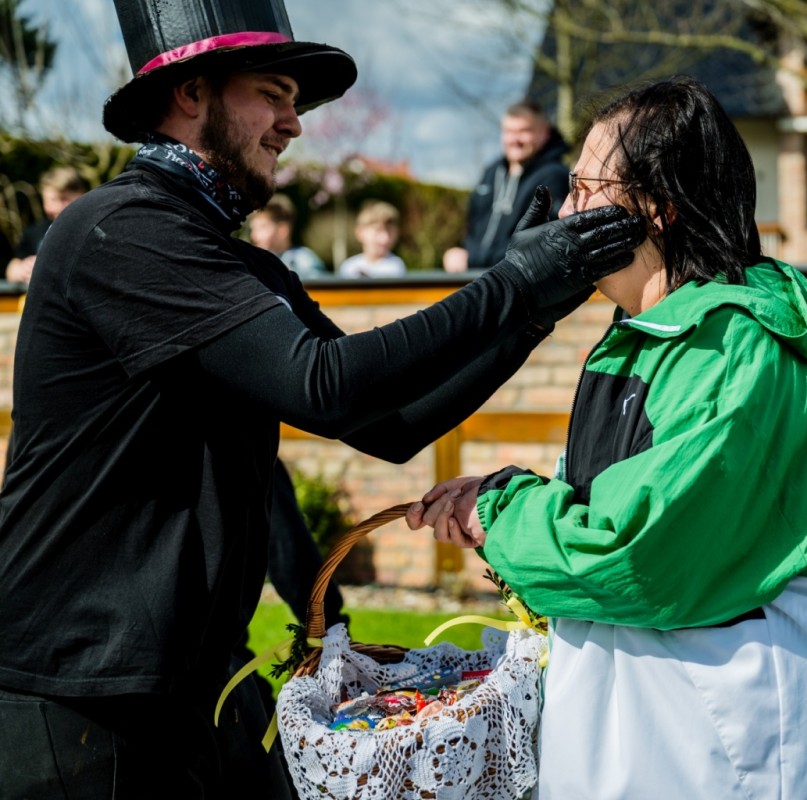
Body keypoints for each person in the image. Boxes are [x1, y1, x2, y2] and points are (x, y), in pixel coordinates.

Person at [0, 0, 645, 795]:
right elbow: (326, 384)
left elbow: (389, 426)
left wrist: (531, 313)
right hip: (75, 693)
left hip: (191, 680)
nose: (293, 123)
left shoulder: (234, 263)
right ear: (190, 93)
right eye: (272, 94)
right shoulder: (122, 231)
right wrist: (512, 283)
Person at [407, 75, 807, 798]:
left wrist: (498, 512)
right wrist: (503, 499)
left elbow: (637, 553)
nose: (566, 213)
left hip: (743, 735)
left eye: (585, 190)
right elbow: (617, 504)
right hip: (668, 724)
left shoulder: (729, 346)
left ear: (659, 210)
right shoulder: (650, 333)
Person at [443, 100, 571, 273]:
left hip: (518, 279)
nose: (515, 140)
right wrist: (459, 252)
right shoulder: (491, 172)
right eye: (509, 131)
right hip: (476, 278)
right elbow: (473, 227)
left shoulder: (554, 176)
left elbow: (543, 241)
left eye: (524, 131)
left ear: (544, 133)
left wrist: (474, 260)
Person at [5, 165, 87, 284]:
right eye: (52, 200)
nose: (58, 207)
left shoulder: (92, 229)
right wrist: (21, 270)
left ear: (81, 194)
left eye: (64, 199)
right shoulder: (35, 231)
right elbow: (13, 267)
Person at [248, 192, 328, 278]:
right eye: (253, 229)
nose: (254, 236)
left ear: (283, 230)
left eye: (262, 227)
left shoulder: (303, 261)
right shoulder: (253, 261)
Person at [337, 199, 407, 277]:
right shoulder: (349, 266)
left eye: (390, 232)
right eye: (378, 231)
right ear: (360, 233)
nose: (385, 239)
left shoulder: (396, 266)